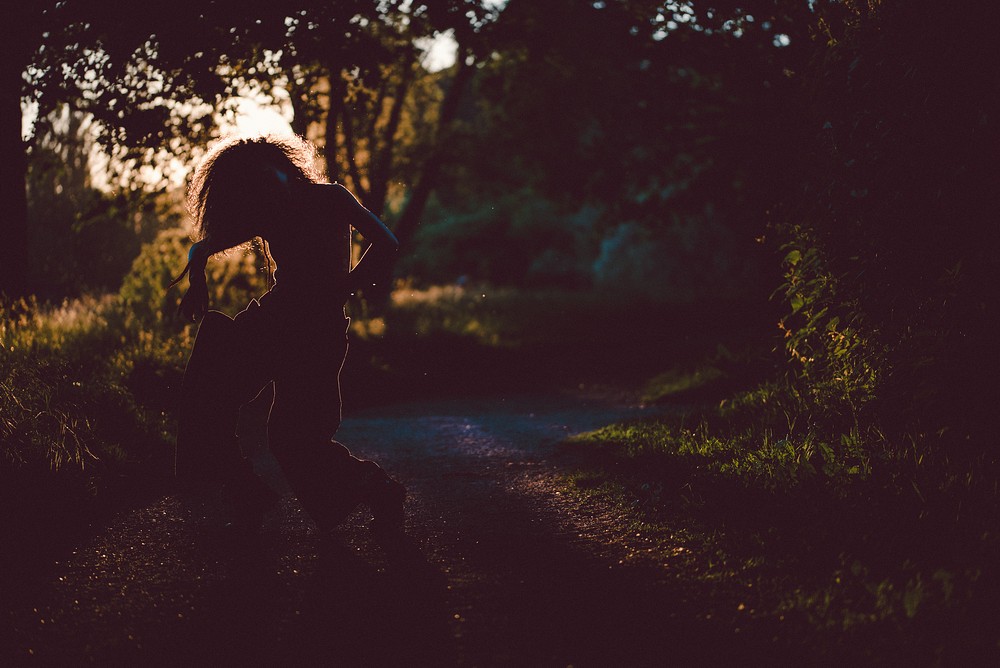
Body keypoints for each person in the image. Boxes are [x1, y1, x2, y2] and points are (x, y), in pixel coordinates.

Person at [170, 133, 405, 535]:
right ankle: (242, 489)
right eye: (251, 183)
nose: (261, 187)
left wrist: (346, 286)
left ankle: (376, 487)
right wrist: (197, 277)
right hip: (275, 321)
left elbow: (387, 241)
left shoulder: (330, 197)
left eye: (265, 175)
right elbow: (202, 247)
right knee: (209, 389)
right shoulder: (270, 208)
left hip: (316, 332)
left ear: (284, 166)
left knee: (292, 438)